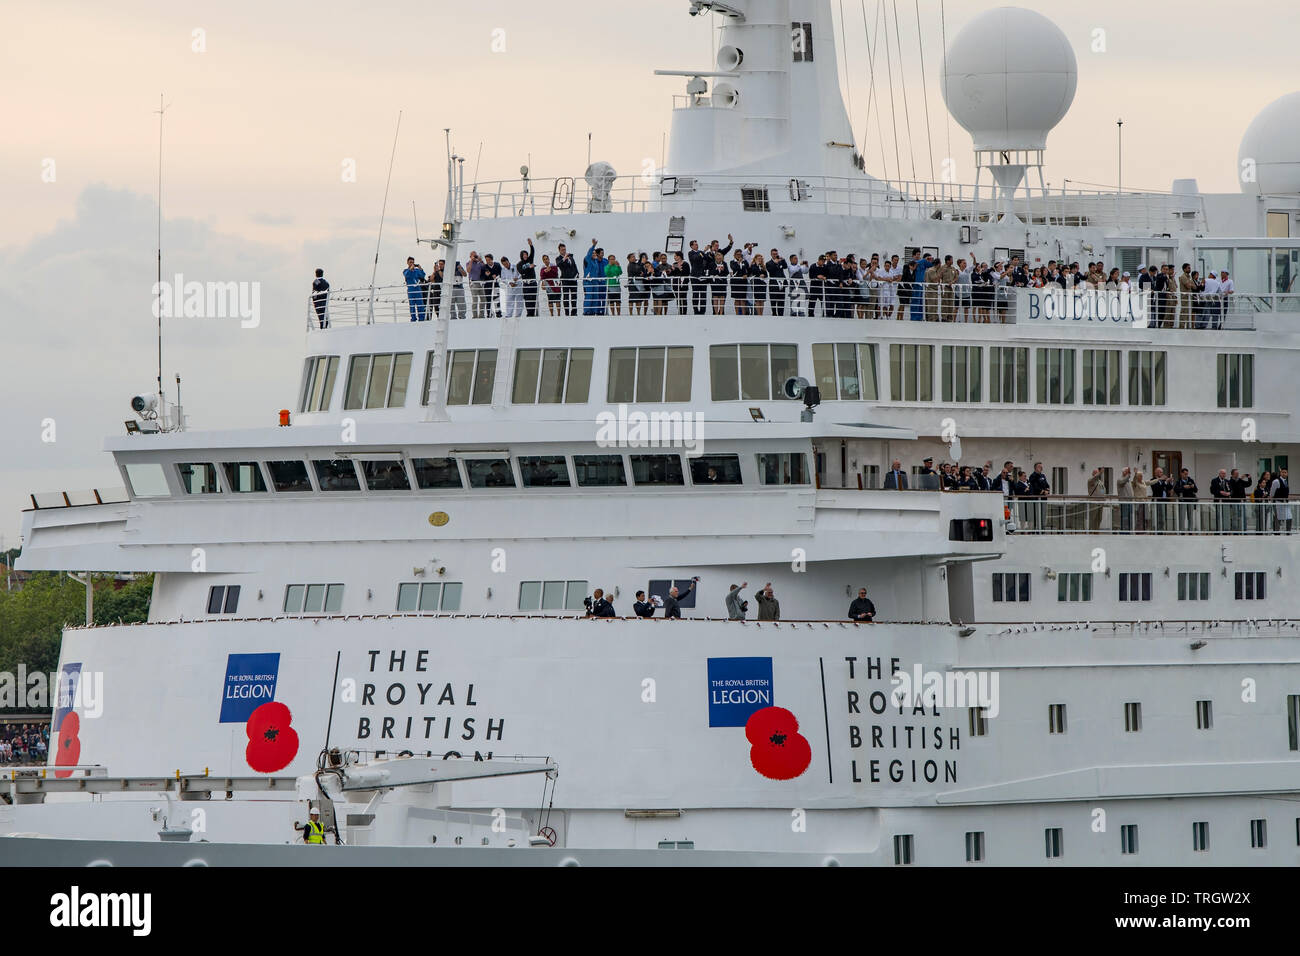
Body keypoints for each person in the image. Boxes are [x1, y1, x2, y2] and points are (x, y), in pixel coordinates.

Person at [556, 243, 579, 316]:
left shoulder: (571, 257)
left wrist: (577, 274)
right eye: (562, 250)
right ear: (559, 250)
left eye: (564, 249)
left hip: (573, 280)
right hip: (565, 280)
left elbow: (574, 266)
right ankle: (567, 313)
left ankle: (574, 312)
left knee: (574, 296)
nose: (564, 251)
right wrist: (564, 258)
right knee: (566, 297)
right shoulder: (558, 258)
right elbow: (558, 265)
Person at [402, 257, 427, 321]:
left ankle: (421, 319)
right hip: (411, 291)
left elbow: (422, 275)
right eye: (410, 262)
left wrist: (420, 269)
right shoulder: (405, 271)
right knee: (412, 306)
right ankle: (413, 319)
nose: (412, 264)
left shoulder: (417, 271)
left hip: (418, 290)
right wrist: (410, 269)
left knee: (420, 305)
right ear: (407, 263)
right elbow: (407, 275)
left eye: (413, 262)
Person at [518, 240, 538, 317]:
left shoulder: (530, 260)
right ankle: (529, 313)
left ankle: (532, 314)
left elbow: (532, 253)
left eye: (526, 254)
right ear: (521, 256)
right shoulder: (519, 264)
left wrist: (531, 245)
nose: (525, 256)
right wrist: (529, 267)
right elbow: (521, 271)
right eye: (524, 255)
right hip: (526, 283)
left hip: (533, 283)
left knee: (533, 298)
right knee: (527, 299)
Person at [1176, 467, 1199, 532]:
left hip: (1190, 500)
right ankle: (1182, 531)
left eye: (1187, 474)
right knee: (1182, 517)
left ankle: (1190, 531)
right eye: (1185, 474)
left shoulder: (1191, 480)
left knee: (1190, 517)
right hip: (1183, 501)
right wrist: (1183, 487)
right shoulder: (1179, 481)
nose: (1186, 475)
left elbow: (1196, 490)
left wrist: (1193, 486)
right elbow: (1176, 490)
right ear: (1181, 474)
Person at [1271, 468, 1291, 533]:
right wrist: (1272, 500)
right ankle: (1276, 533)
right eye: (1282, 472)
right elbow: (1272, 492)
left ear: (1287, 474)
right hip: (1278, 502)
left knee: (1289, 517)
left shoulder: (1285, 481)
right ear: (1280, 473)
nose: (1284, 473)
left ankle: (1288, 532)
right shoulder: (1276, 481)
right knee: (1278, 518)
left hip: (1285, 503)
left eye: (1285, 472)